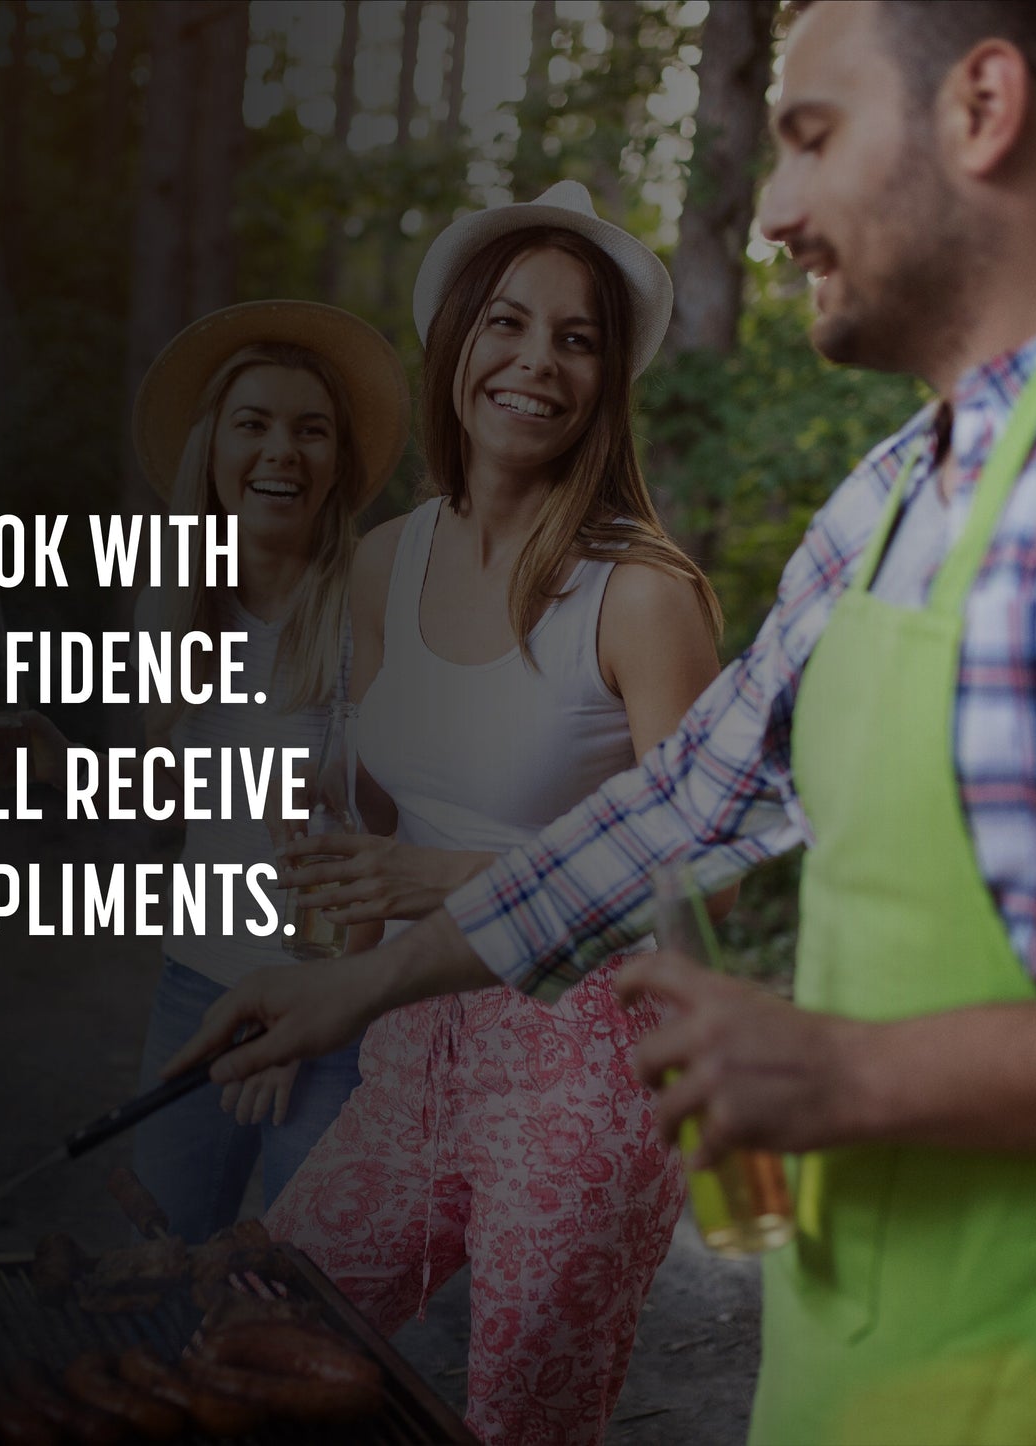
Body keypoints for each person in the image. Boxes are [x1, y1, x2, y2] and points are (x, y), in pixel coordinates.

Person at [170, 3, 1036, 1442]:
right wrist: (352, 988)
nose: (779, 215)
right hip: (860, 1375)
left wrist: (848, 1067)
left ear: (980, 109)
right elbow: (682, 801)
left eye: (809, 136)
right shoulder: (885, 498)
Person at [258, 181, 726, 1445]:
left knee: (520, 1424)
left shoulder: (638, 596)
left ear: (607, 378)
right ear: (455, 342)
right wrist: (312, 992)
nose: (535, 362)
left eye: (575, 340)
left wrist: (448, 873)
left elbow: (712, 882)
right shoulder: (381, 561)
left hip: (589, 1079)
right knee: (259, 1331)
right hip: (411, 1055)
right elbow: (354, 831)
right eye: (506, 324)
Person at [0, 300, 408, 1243]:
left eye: (311, 430)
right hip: (195, 982)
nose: (280, 453)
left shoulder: (370, 610)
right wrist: (63, 770)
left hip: (332, 995)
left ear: (337, 463)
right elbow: (187, 797)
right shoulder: (173, 608)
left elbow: (387, 828)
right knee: (162, 1263)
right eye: (252, 424)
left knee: (299, 1287)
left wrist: (310, 1002)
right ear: (211, 450)